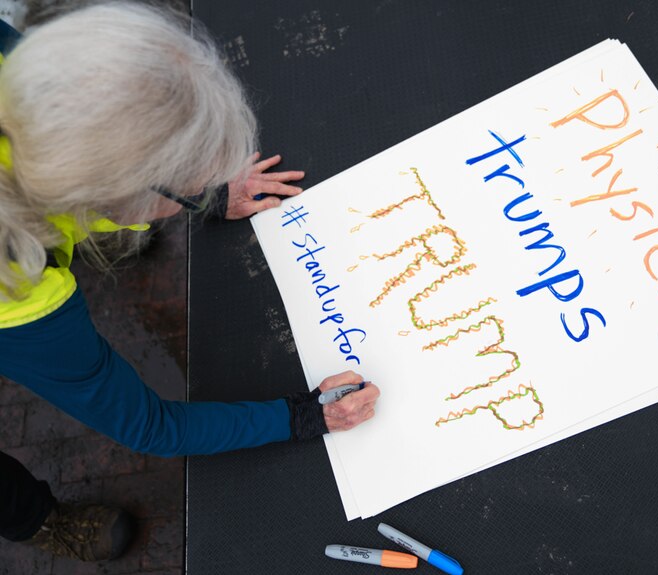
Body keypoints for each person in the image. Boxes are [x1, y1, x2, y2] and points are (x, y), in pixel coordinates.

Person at [0, 1, 380, 563]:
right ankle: (33, 521)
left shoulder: (29, 67)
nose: (194, 193)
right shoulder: (23, 296)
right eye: (180, 189)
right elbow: (151, 428)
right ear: (110, 194)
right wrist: (303, 415)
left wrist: (208, 195)